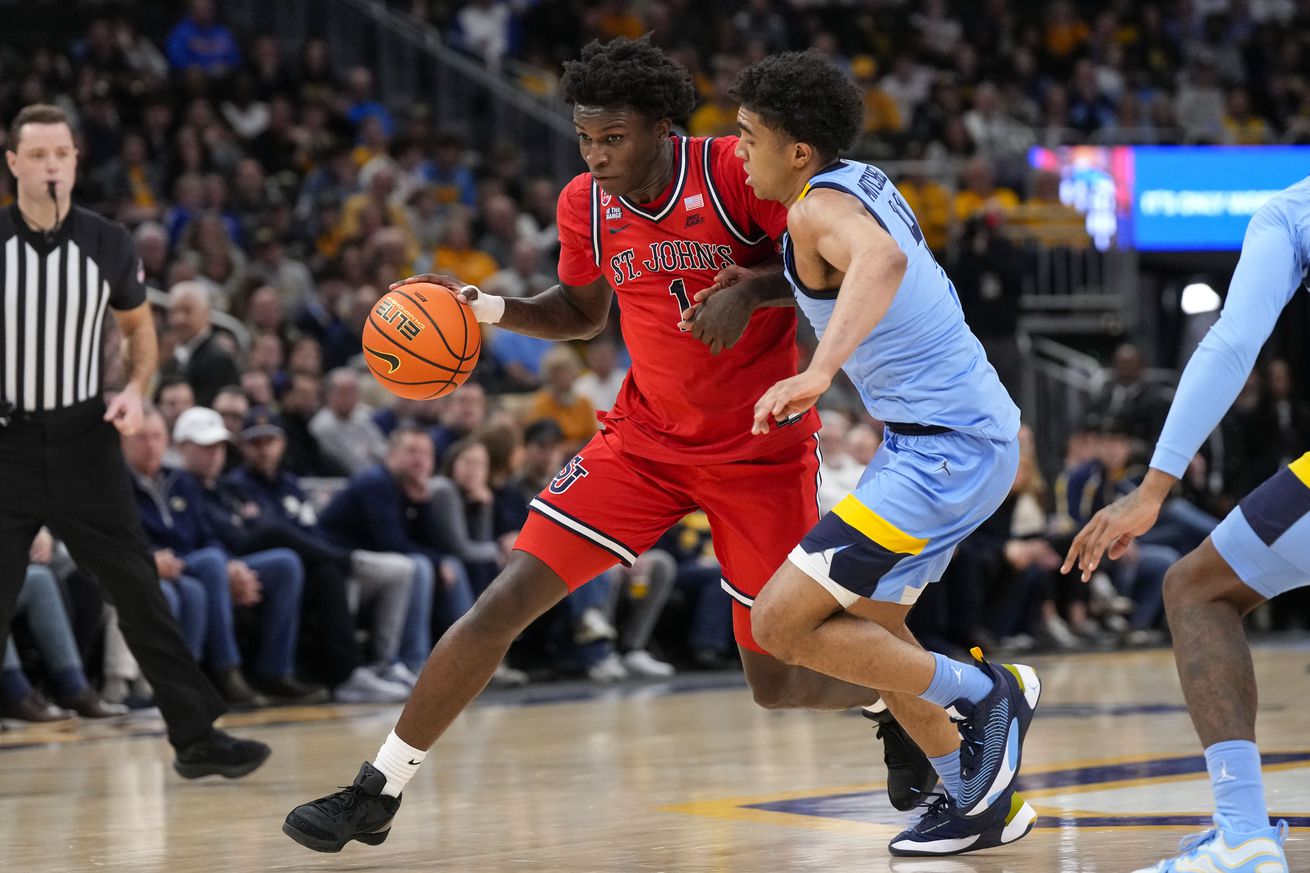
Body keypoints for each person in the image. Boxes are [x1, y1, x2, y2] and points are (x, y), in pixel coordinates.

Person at [282, 36, 929, 854]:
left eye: (613, 138)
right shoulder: (584, 202)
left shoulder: (737, 172)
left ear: (663, 127)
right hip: (643, 442)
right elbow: (583, 314)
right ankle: (378, 789)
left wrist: (755, 293)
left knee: (780, 681)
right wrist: (486, 308)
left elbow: (824, 273)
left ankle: (892, 703)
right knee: (500, 603)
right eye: (585, 138)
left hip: (757, 450)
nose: (595, 155)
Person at [701, 52, 1038, 856]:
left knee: (780, 623)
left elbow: (880, 262)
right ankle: (979, 799)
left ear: (799, 153)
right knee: (876, 640)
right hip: (948, 440)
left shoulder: (815, 211)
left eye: (749, 137)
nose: (738, 151)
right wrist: (759, 285)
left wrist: (818, 372)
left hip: (943, 451)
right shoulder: (860, 181)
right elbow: (852, 266)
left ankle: (989, 689)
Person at [0, 103, 267, 776]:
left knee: (139, 586)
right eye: (37, 154)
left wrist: (136, 390)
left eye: (61, 152)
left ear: (76, 160)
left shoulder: (108, 241)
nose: (51, 164)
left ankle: (197, 735)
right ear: (13, 163)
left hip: (84, 434)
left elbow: (139, 332)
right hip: (5, 440)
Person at [1062, 176, 1310, 873]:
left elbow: (1234, 343)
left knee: (1197, 589)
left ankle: (1241, 834)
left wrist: (1152, 488)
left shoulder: (1293, 211)